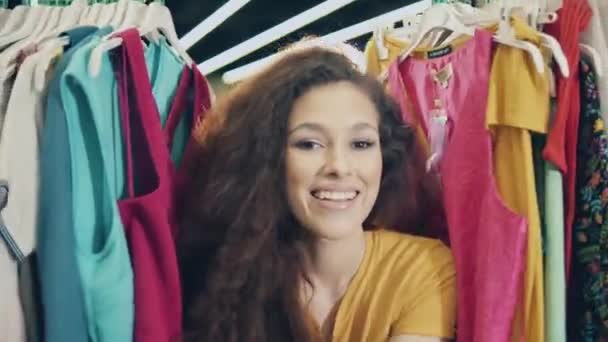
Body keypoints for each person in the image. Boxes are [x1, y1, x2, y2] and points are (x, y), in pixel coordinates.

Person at [177, 47, 456, 342]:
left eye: (360, 144)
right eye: (309, 144)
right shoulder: (227, 275)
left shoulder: (423, 267)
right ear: (267, 159)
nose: (339, 166)